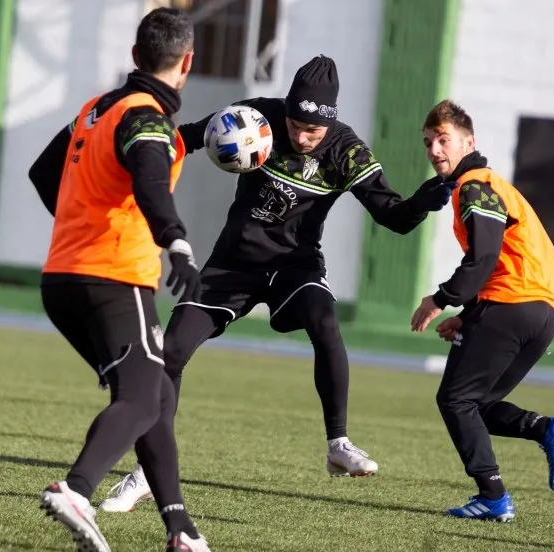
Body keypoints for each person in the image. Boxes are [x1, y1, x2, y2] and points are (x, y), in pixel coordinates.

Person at [97, 54, 456, 512]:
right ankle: (146, 470)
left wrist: (422, 201)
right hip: (233, 265)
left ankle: (338, 444)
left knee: (325, 322)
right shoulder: (251, 117)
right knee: (172, 350)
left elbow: (394, 217)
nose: (304, 138)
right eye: (296, 126)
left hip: (295, 267)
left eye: (315, 131)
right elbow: (180, 140)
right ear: (284, 110)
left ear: (331, 122)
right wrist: (135, 156)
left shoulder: (346, 150)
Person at [27, 8, 216, 552]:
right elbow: (152, 182)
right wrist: (176, 242)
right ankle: (77, 490)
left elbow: (44, 173)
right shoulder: (147, 117)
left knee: (152, 398)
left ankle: (181, 531)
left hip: (62, 277)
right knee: (140, 398)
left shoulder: (96, 109)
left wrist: (78, 226)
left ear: (136, 57)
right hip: (114, 279)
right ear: (187, 62)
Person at [409, 99, 554, 522]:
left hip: (511, 305)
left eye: (443, 140)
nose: (434, 150)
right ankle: (547, 429)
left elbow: (483, 259)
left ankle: (493, 496)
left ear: (469, 141)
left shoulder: (475, 184)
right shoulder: (491, 186)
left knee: (455, 400)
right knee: (478, 404)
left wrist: (441, 298)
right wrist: (468, 317)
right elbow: (502, 260)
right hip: (542, 315)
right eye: (429, 142)